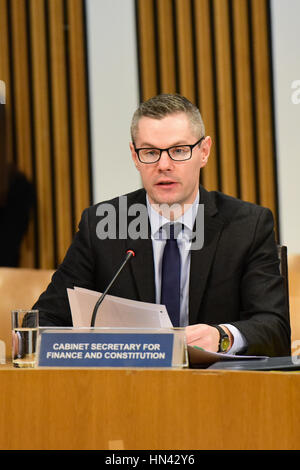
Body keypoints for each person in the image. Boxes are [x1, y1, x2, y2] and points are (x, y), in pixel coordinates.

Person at [32, 94, 290, 356]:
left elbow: (275, 327)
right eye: (150, 152)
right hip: (127, 387)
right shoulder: (101, 226)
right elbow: (43, 320)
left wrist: (222, 336)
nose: (163, 165)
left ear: (204, 151)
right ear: (134, 156)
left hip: (219, 386)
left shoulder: (247, 226)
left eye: (178, 150)